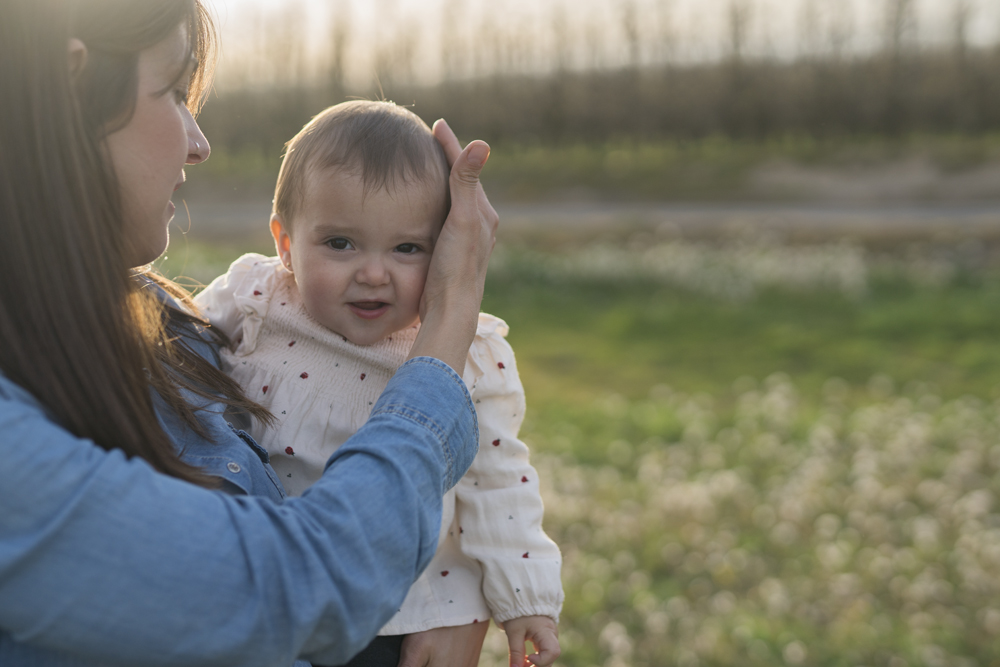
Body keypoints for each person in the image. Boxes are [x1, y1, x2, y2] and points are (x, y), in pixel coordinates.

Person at [0, 1, 499, 665]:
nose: (198, 142)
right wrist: (446, 327)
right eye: (173, 92)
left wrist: (449, 590)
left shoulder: (163, 323)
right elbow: (294, 589)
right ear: (72, 91)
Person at [195, 101, 564, 667]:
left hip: (400, 618)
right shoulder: (257, 299)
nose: (373, 272)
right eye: (340, 243)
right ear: (285, 243)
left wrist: (525, 598)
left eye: (407, 248)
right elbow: (167, 349)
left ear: (445, 251)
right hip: (265, 586)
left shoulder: (466, 350)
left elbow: (499, 481)